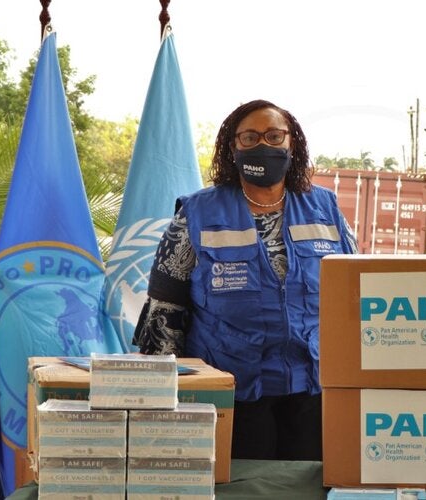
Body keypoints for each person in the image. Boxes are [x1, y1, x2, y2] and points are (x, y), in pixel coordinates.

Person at [133, 99, 358, 461]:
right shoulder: (197, 212)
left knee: (305, 486)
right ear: (232, 147)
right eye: (249, 137)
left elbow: (353, 293)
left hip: (310, 388)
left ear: (292, 143)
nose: (263, 146)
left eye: (273, 135)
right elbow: (166, 306)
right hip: (229, 388)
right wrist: (163, 395)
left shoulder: (326, 208)